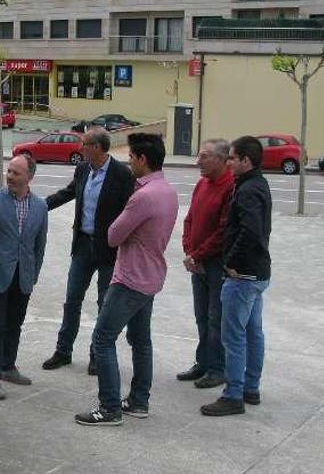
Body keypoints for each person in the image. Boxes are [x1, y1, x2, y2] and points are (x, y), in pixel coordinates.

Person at [74, 133, 178, 426]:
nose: (129, 161)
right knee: (141, 340)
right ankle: (138, 400)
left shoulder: (143, 196)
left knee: (103, 339)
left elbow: (113, 235)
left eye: (131, 156)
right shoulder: (167, 190)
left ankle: (109, 408)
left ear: (143, 159)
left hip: (130, 278)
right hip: (151, 276)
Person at [42, 128, 134, 375]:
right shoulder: (83, 169)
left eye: (85, 144)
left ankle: (97, 354)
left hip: (108, 249)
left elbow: (130, 211)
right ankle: (63, 351)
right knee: (72, 300)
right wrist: (40, 206)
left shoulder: (121, 174)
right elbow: (68, 193)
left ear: (97, 147)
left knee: (104, 303)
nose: (81, 148)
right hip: (82, 245)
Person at [201, 135, 272, 417]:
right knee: (253, 331)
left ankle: (233, 395)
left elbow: (251, 230)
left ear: (246, 160)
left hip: (243, 275)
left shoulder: (247, 189)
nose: (228, 162)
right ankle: (250, 388)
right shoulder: (257, 183)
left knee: (233, 336)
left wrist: (230, 261)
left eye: (232, 157)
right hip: (257, 272)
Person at [0, 154, 48, 400]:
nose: (10, 177)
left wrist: (34, 274)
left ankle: (8, 366)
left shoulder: (40, 206)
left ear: (29, 177)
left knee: (15, 323)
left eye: (16, 173)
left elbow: (40, 245)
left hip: (22, 277)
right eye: (9, 172)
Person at [177, 138, 234, 389]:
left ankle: (218, 367)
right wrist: (189, 251)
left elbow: (223, 231)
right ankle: (204, 361)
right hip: (197, 262)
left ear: (222, 159)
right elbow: (190, 219)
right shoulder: (202, 184)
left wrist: (198, 254)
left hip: (215, 263)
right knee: (201, 315)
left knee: (215, 317)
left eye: (205, 156)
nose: (198, 161)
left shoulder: (230, 187)